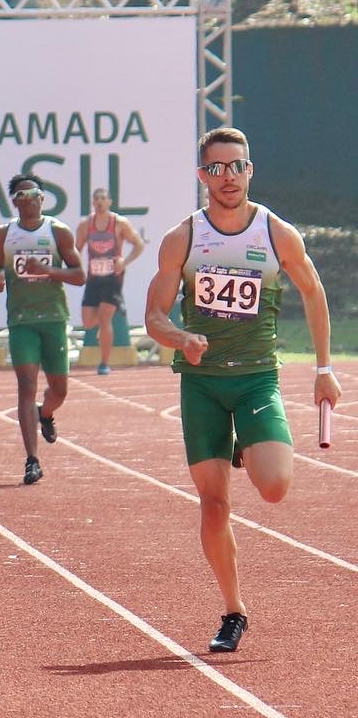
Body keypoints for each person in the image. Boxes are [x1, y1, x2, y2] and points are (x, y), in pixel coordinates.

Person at [144, 127, 341, 655]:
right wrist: (181, 337)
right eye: (216, 168)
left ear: (250, 170)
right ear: (202, 175)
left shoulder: (276, 234)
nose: (227, 176)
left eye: (237, 166)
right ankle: (233, 610)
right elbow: (154, 316)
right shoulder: (181, 238)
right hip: (202, 386)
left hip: (256, 377)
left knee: (274, 486)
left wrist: (324, 367)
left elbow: (313, 292)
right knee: (212, 505)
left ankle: (244, 445)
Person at [0, 173, 84, 486]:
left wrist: (48, 270)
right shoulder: (5, 234)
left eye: (33, 194)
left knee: (60, 389)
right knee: (26, 386)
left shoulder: (57, 231)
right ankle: (32, 460)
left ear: (43, 198)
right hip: (21, 321)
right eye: (21, 195)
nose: (28, 199)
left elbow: (79, 274)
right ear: (14, 201)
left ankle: (46, 413)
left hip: (54, 320)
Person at [75, 187, 145, 374]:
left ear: (109, 202)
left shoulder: (119, 223)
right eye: (96, 198)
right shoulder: (85, 225)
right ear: (92, 202)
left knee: (105, 319)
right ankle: (113, 309)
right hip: (94, 277)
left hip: (113, 277)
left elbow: (139, 245)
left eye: (103, 198)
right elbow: (76, 249)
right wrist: (77, 269)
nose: (99, 201)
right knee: (88, 322)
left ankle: (104, 363)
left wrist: (125, 261)